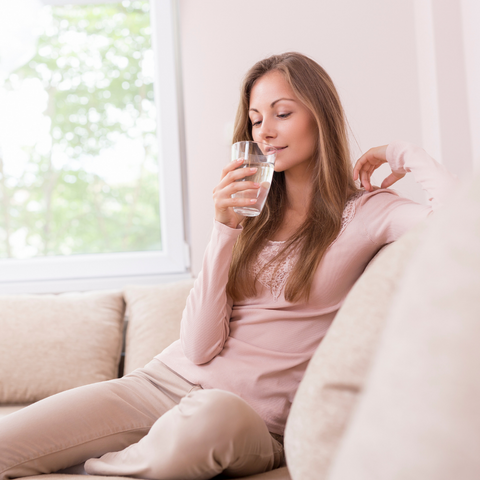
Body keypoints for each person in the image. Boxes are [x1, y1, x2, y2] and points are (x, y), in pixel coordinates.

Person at [0, 52, 457, 480]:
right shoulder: (248, 214)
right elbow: (198, 348)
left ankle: (101, 468)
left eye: (282, 114)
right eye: (256, 120)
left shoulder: (371, 212)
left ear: (322, 116)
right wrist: (224, 230)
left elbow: (459, 229)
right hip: (160, 383)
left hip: (247, 419)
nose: (265, 132)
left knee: (210, 417)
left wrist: (404, 154)